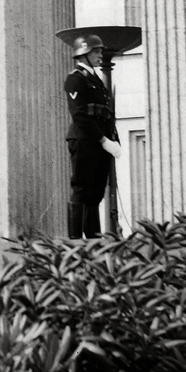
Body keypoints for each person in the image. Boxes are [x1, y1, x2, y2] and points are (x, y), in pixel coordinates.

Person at [64, 33, 121, 238]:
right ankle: (76, 240)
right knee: (81, 188)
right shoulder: (75, 79)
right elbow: (80, 115)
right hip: (84, 140)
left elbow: (105, 114)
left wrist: (113, 140)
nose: (100, 55)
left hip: (99, 142)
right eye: (96, 51)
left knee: (96, 192)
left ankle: (93, 237)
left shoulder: (96, 80)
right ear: (84, 53)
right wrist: (103, 140)